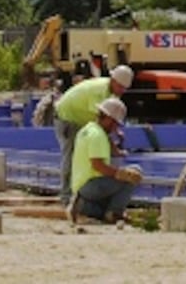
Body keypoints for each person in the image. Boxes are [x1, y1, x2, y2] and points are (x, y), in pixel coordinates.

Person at [53, 63, 134, 204]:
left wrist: (116, 131)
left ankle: (82, 195)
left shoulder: (112, 92)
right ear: (113, 80)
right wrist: (115, 150)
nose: (122, 91)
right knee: (71, 156)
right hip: (68, 118)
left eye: (124, 89)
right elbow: (102, 124)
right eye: (120, 87)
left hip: (80, 118)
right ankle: (66, 197)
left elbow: (109, 120)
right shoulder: (99, 92)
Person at [68, 96, 141, 225]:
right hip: (91, 185)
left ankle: (85, 208)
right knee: (132, 175)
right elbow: (98, 165)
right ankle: (114, 214)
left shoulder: (87, 129)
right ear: (109, 119)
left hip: (81, 186)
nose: (115, 128)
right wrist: (122, 174)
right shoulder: (98, 136)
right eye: (115, 124)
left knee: (101, 210)